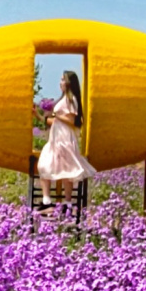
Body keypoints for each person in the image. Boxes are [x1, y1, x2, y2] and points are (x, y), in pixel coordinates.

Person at [36, 70, 93, 206]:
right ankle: (47, 199)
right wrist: (39, 115)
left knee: (67, 170)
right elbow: (54, 122)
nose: (60, 82)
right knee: (45, 165)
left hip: (64, 138)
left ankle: (66, 202)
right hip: (56, 138)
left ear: (68, 83)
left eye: (63, 79)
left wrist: (56, 114)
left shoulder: (71, 99)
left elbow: (72, 121)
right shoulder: (63, 99)